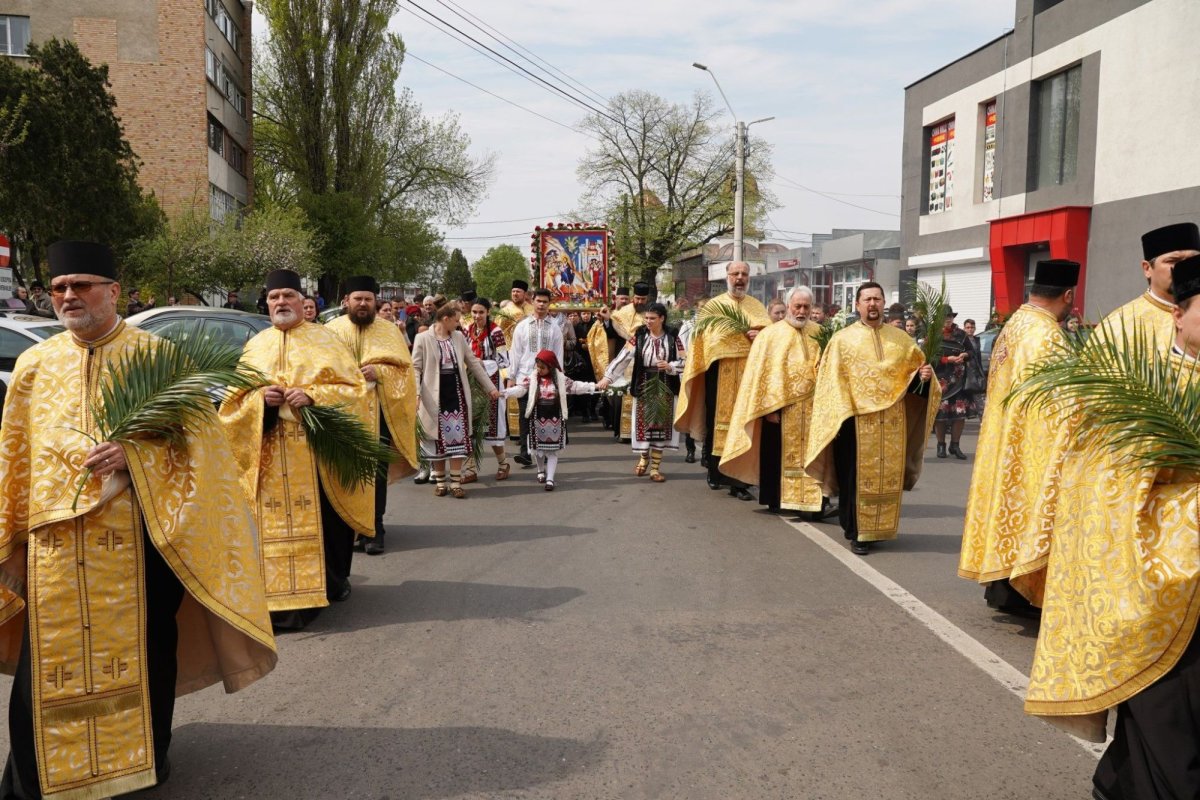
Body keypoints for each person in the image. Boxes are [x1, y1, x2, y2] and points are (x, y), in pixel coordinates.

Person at [0, 241, 276, 799]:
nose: (69, 296)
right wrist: (12, 536)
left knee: (148, 654)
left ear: (113, 291)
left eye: (81, 285)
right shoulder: (34, 363)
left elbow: (203, 450)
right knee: (44, 664)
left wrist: (136, 455)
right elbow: (14, 455)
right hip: (53, 545)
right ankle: (33, 780)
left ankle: (142, 758)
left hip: (140, 541)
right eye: (59, 288)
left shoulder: (158, 357)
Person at [1023, 252, 1200, 797]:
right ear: (1179, 313)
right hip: (1161, 588)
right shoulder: (1143, 390)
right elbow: (1106, 494)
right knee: (1175, 733)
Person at [219, 268, 375, 629]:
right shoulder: (256, 345)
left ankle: (333, 582)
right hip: (271, 454)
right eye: (274, 298)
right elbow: (231, 405)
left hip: (316, 453)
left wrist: (314, 396)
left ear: (303, 301)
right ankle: (279, 596)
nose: (280, 302)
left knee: (329, 522)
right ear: (267, 302)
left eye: (287, 296)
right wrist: (260, 400)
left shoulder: (326, 341)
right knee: (271, 527)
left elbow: (355, 392)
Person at [958, 260, 1079, 617]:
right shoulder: (1047, 335)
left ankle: (1005, 593)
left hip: (1005, 433)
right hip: (1030, 442)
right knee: (1027, 513)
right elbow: (1062, 400)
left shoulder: (1015, 325)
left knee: (1007, 514)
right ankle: (1021, 593)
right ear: (1068, 295)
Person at [804, 281, 937, 555]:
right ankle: (857, 531)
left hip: (892, 422)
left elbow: (916, 380)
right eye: (867, 300)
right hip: (855, 422)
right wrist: (838, 417)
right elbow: (829, 383)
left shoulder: (902, 341)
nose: (873, 304)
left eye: (877, 299)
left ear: (884, 303)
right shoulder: (842, 340)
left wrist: (924, 379)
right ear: (857, 305)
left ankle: (878, 528)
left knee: (885, 476)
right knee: (855, 477)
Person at [327, 277, 419, 556]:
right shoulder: (329, 331)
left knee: (374, 474)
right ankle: (350, 529)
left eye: (368, 299)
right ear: (347, 302)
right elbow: (318, 371)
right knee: (345, 472)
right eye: (358, 299)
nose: (363, 304)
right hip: (342, 415)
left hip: (377, 414)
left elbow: (405, 372)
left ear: (375, 301)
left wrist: (379, 373)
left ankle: (375, 528)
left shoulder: (389, 331)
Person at [721, 286, 825, 515]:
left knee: (812, 455)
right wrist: (768, 410)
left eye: (806, 307)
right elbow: (761, 375)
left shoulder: (819, 332)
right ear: (788, 306)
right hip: (779, 408)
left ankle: (810, 500)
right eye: (797, 306)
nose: (801, 311)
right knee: (776, 456)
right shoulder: (770, 335)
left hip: (811, 408)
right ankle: (777, 499)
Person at [674, 262, 772, 500]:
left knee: (745, 422)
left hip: (749, 374)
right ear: (727, 277)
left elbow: (771, 337)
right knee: (716, 421)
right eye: (735, 274)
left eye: (744, 274)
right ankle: (714, 470)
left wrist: (759, 336)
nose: (740, 278)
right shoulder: (714, 306)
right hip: (719, 372)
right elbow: (704, 340)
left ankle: (739, 481)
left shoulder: (757, 306)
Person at [411, 303, 499, 497]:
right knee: (436, 439)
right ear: (446, 319)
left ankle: (456, 483)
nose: (459, 325)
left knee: (456, 438)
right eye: (457, 320)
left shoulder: (458, 338)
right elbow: (415, 368)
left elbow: (473, 364)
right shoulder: (422, 338)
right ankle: (441, 483)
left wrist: (491, 388)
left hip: (456, 394)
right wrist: (416, 393)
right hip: (433, 395)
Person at [603, 302, 684, 481]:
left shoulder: (673, 338)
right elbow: (622, 358)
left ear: (662, 318)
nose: (648, 321)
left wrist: (670, 366)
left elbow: (686, 361)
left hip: (665, 386)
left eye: (652, 318)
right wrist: (608, 378)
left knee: (661, 427)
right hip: (644, 384)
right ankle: (643, 457)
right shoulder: (638, 336)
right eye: (646, 318)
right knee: (644, 426)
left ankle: (655, 468)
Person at [507, 350, 602, 490]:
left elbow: (575, 386)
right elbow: (521, 389)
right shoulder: (532, 378)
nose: (539, 369)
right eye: (537, 366)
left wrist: (594, 386)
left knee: (552, 451)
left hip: (555, 418)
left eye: (542, 367)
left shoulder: (561, 380)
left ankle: (550, 479)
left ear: (551, 366)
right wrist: (504, 393)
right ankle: (540, 471)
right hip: (537, 417)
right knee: (537, 449)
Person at [508, 288, 564, 467]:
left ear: (549, 304)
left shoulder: (555, 328)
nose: (541, 305)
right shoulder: (522, 326)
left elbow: (558, 355)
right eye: (538, 301)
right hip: (525, 376)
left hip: (547, 379)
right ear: (532, 301)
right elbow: (515, 353)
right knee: (525, 414)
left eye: (545, 302)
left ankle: (545, 450)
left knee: (544, 415)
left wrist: (559, 380)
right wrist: (511, 376)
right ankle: (524, 452)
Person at [463, 297, 512, 482]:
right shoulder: (469, 329)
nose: (477, 316)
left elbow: (504, 361)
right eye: (474, 312)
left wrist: (480, 364)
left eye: (481, 312)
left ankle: (503, 464)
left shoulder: (496, 332)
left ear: (488, 312)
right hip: (471, 382)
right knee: (470, 426)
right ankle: (470, 470)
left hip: (491, 383)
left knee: (492, 427)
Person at [931, 307, 978, 460]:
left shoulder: (961, 335)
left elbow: (972, 353)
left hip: (959, 380)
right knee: (941, 415)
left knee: (959, 415)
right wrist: (947, 360)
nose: (948, 319)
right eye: (945, 317)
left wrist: (965, 355)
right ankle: (941, 445)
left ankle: (955, 445)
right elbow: (927, 357)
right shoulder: (933, 336)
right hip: (941, 380)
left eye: (950, 316)